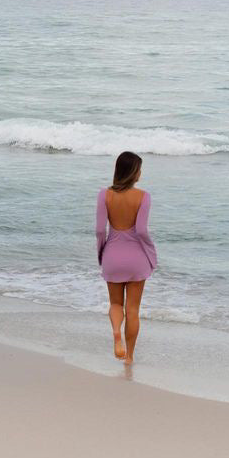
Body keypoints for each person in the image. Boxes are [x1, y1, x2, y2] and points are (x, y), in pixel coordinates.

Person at [95, 151, 157, 364]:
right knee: (133, 309)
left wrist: (102, 253)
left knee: (115, 304)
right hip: (136, 259)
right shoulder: (143, 196)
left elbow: (99, 230)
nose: (140, 174)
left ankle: (115, 333)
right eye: (139, 169)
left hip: (113, 256)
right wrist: (151, 253)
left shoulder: (105, 194)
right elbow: (141, 231)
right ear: (133, 172)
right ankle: (129, 357)